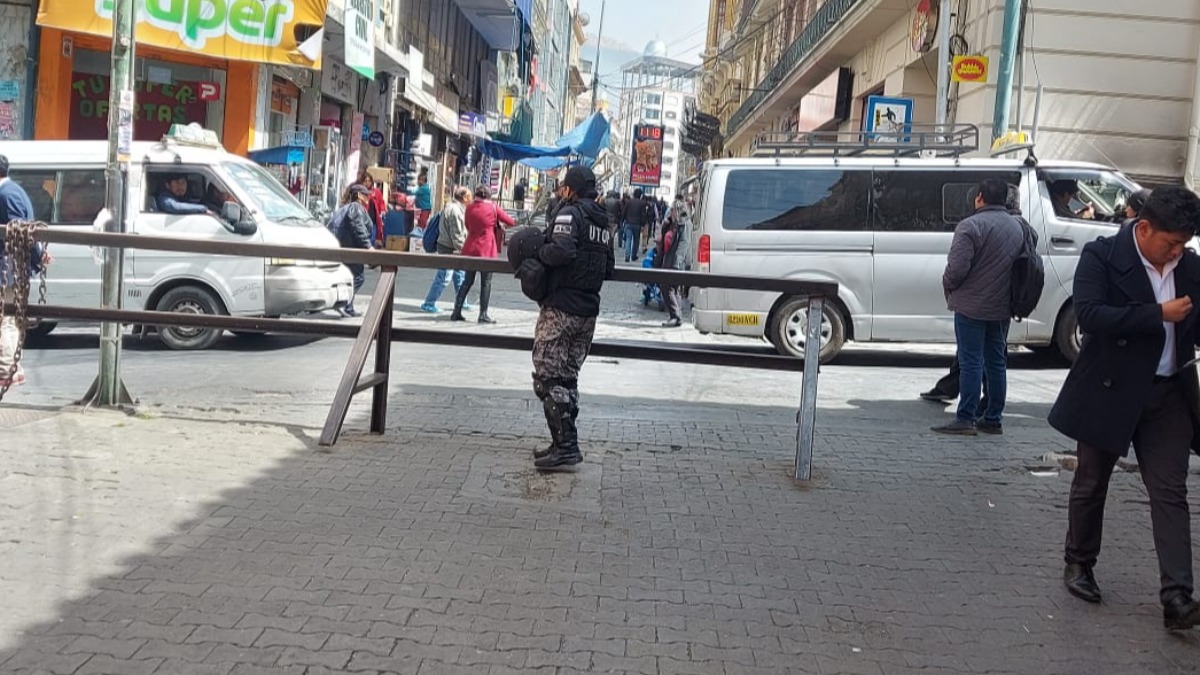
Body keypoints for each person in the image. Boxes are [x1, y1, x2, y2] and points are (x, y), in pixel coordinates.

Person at [1049, 186, 1200, 630]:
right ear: (1145, 227)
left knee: (1171, 492)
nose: (1177, 251)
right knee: (1092, 480)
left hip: (1168, 394)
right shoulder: (1101, 256)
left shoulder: (1190, 267)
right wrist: (1157, 313)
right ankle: (1079, 564)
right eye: (1171, 243)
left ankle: (1178, 597)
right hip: (1108, 388)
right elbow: (1091, 315)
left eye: (1184, 244)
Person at [529, 166, 614, 471]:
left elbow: (561, 251)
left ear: (571, 188)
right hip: (588, 310)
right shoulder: (603, 222)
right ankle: (561, 443)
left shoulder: (569, 214)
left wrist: (540, 252)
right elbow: (609, 268)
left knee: (548, 378)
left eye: (564, 187)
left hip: (562, 307)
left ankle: (566, 447)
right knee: (567, 378)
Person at [931, 179, 1025, 436]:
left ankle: (966, 418)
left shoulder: (971, 226)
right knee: (996, 362)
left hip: (971, 305)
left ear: (979, 197)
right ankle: (993, 417)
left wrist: (948, 285)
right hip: (1002, 306)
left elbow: (956, 269)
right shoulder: (1018, 227)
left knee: (971, 361)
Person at [0, 154, 49, 388]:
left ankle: (6, 369)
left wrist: (38, 256)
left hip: (6, 269)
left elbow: (20, 232)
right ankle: (13, 367)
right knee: (9, 319)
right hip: (13, 268)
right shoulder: (14, 191)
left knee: (6, 320)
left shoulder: (6, 195)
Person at [452, 185, 515, 324]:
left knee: (467, 281)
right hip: (487, 249)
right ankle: (483, 314)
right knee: (486, 283)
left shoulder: (469, 208)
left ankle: (456, 311)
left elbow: (467, 225)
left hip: (470, 247)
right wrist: (496, 223)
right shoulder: (493, 207)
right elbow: (510, 222)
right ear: (488, 196)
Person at [421, 186, 471, 313]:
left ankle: (462, 301)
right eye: (469, 196)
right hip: (449, 247)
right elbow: (457, 234)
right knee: (444, 276)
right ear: (464, 197)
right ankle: (429, 302)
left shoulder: (453, 207)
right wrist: (462, 249)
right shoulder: (455, 211)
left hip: (448, 245)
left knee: (459, 275)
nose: (471, 199)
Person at [333, 184, 376, 317]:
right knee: (358, 277)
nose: (368, 197)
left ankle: (348, 307)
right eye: (365, 194)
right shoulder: (356, 207)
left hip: (346, 247)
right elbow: (358, 227)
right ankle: (344, 304)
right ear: (358, 195)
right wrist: (368, 246)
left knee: (352, 276)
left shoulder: (348, 208)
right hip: (351, 248)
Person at [621, 188, 654, 263]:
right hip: (637, 224)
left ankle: (627, 255)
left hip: (628, 223)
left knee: (628, 239)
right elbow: (643, 215)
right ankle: (633, 255)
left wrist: (622, 221)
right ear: (640, 195)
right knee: (636, 240)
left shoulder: (629, 202)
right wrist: (643, 224)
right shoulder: (642, 203)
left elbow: (624, 212)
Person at [355, 169, 386, 244]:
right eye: (365, 181)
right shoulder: (360, 192)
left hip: (374, 221)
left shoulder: (376, 192)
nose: (367, 183)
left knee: (372, 240)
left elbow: (381, 203)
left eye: (369, 181)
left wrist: (383, 211)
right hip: (363, 221)